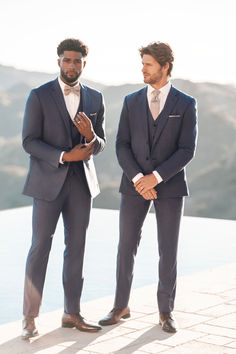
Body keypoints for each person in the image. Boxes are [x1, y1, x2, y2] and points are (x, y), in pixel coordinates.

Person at [99, 42, 197, 333]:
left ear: (165, 66)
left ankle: (166, 311)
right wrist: (138, 179)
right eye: (142, 64)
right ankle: (121, 306)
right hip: (133, 185)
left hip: (170, 185)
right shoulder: (131, 101)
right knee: (126, 246)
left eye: (148, 64)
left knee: (168, 249)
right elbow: (122, 144)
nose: (143, 69)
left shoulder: (186, 103)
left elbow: (186, 149)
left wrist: (155, 177)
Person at [22, 38, 106, 339]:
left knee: (77, 250)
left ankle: (72, 313)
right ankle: (30, 317)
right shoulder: (39, 96)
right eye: (67, 60)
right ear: (58, 61)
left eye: (77, 61)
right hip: (47, 183)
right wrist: (64, 156)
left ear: (85, 63)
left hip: (81, 185)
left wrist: (91, 136)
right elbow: (29, 141)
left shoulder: (96, 98)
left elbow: (101, 144)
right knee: (40, 248)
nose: (72, 66)